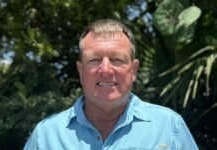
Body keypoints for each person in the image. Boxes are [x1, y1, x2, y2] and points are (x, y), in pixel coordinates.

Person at [24, 19, 198, 150]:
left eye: (117, 59)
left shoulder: (169, 127)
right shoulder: (46, 136)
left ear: (134, 70)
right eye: (94, 60)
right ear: (80, 71)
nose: (106, 70)